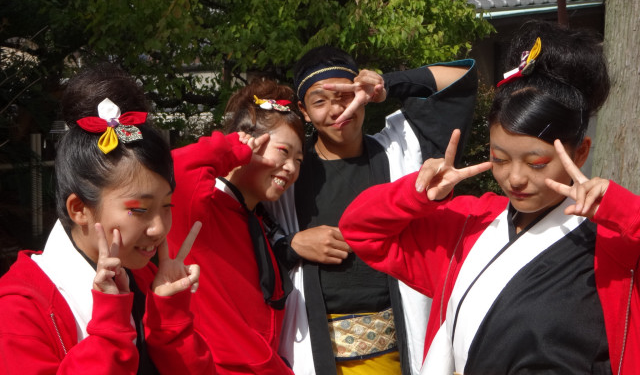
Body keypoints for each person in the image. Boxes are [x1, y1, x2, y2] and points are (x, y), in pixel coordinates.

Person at [339, 20, 640, 374]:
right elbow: (360, 229)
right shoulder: (472, 223)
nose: (515, 178)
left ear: (580, 152)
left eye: (537, 163)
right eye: (500, 158)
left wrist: (621, 209)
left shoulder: (612, 239)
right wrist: (417, 194)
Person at [264, 46, 478, 375]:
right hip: (312, 352)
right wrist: (290, 245)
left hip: (403, 347)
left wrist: (385, 84)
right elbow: (244, 236)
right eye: (320, 101)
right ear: (303, 111)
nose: (338, 109)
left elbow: (460, 78)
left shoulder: (402, 149)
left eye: (346, 95)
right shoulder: (286, 171)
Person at [0, 64, 213, 374]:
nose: (159, 229)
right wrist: (110, 326)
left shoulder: (145, 278)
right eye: (139, 210)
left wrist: (170, 320)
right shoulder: (20, 310)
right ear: (79, 209)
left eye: (167, 206)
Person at [168, 78, 305, 375]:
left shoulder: (257, 220)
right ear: (249, 142)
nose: (292, 168)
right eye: (283, 151)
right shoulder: (200, 207)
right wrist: (231, 148)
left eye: (298, 160)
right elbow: (172, 168)